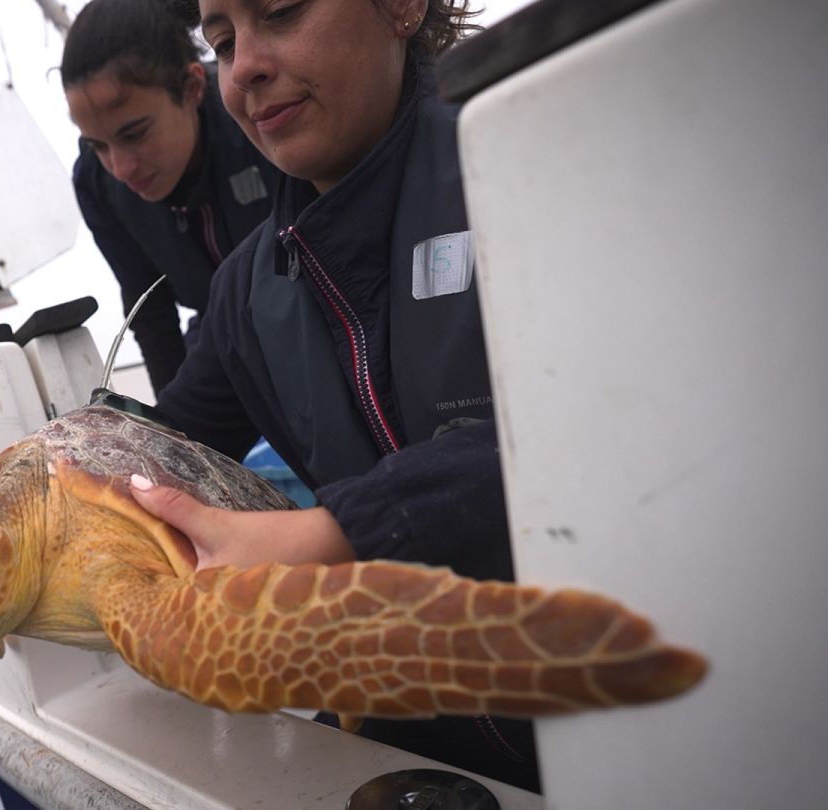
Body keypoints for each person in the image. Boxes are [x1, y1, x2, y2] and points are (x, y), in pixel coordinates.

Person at [129, 0, 543, 792]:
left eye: (280, 11)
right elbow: (162, 455)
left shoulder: (536, 142)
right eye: (221, 41)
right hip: (413, 739)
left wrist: (339, 533)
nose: (243, 64)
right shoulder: (243, 294)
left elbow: (602, 430)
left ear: (401, 8)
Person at [61, 0, 283, 396]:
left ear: (193, 88)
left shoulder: (261, 115)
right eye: (97, 145)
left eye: (134, 134)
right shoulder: (97, 185)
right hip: (220, 336)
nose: (121, 168)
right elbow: (151, 316)